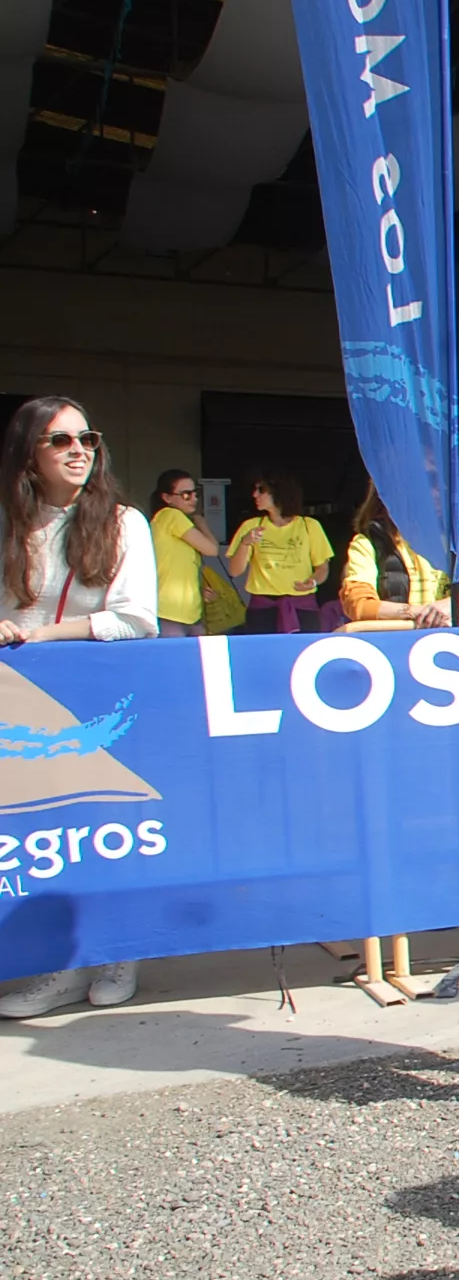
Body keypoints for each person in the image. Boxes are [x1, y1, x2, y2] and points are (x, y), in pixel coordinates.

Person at [0, 397, 158, 1019]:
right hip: (24, 705)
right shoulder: (12, 524)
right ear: (28, 455)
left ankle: (120, 954)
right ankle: (61, 967)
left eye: (87, 438)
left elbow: (138, 620)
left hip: (103, 700)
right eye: (59, 440)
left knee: (107, 830)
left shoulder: (125, 522)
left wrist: (45, 633)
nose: (78, 450)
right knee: (46, 836)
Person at [339, 483, 459, 625]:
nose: (439, 489)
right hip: (397, 651)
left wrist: (456, 604)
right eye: (427, 481)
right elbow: (359, 605)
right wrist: (424, 614)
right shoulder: (368, 543)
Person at [225, 472, 331, 633]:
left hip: (301, 607)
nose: (255, 495)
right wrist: (245, 543)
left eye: (261, 490)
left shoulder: (310, 526)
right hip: (263, 608)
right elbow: (234, 571)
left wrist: (313, 582)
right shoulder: (251, 526)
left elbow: (322, 568)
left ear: (278, 492)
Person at [147, 470, 220, 637]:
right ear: (167, 498)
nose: (194, 498)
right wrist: (201, 523)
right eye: (186, 494)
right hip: (171, 612)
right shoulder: (171, 516)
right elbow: (212, 549)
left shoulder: (166, 520)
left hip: (187, 611)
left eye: (196, 493)